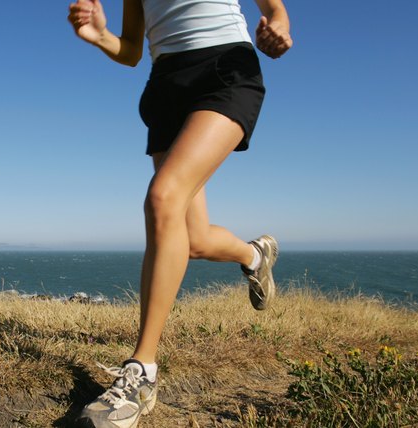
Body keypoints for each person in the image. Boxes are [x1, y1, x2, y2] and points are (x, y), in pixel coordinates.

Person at [67, 0, 292, 426]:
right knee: (194, 239)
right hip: (166, 86)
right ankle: (254, 256)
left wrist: (278, 29)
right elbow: (132, 49)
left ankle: (142, 372)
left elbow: (275, 10)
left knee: (163, 197)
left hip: (226, 70)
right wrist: (98, 35)